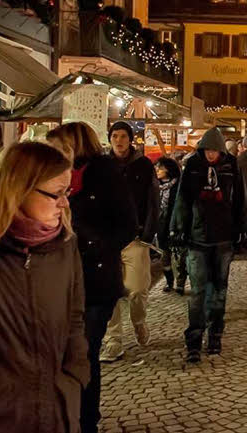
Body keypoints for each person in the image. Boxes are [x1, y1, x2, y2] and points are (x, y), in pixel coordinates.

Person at [0, 141, 88, 433]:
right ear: (17, 189)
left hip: (55, 414)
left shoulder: (64, 244)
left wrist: (73, 380)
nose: (65, 203)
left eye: (67, 192)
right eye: (56, 194)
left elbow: (74, 321)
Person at [46, 122, 136, 433]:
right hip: (58, 279)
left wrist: (97, 246)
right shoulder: (53, 178)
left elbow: (128, 225)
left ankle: (86, 422)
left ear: (76, 144)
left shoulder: (105, 174)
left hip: (96, 280)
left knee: (84, 352)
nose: (55, 153)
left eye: (60, 146)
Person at [170, 127, 246, 362]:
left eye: (215, 150)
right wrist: (178, 229)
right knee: (198, 292)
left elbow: (241, 200)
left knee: (219, 291)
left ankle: (215, 334)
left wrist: (242, 229)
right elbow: (182, 199)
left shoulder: (232, 166)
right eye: (208, 150)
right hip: (197, 238)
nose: (211, 154)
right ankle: (194, 338)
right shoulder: (192, 167)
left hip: (223, 238)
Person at [101, 121, 159, 361]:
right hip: (106, 238)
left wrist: (148, 231)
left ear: (131, 139)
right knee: (109, 291)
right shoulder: (102, 165)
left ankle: (139, 320)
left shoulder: (144, 165)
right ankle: (113, 340)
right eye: (115, 136)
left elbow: (153, 199)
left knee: (137, 289)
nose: (119, 140)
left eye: (123, 136)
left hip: (134, 237)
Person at [155, 157, 186, 294]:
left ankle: (180, 283)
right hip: (161, 226)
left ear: (169, 170)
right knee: (164, 256)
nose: (158, 170)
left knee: (179, 257)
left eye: (161, 167)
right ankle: (169, 281)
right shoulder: (156, 186)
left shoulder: (179, 185)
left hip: (175, 225)